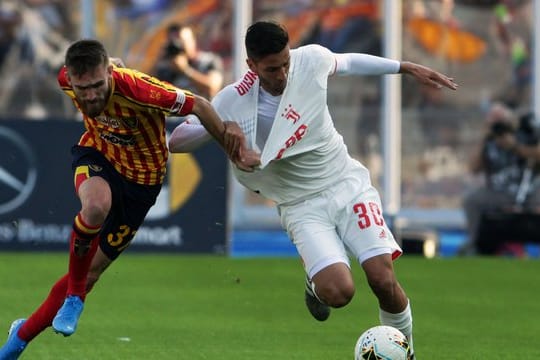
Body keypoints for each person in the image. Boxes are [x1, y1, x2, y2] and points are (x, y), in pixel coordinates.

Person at [168, 20, 458, 359]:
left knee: (382, 279)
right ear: (252, 66)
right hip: (300, 204)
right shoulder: (233, 101)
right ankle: (316, 286)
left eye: (286, 63)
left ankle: (407, 354)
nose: (283, 74)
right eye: (272, 69)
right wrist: (221, 129)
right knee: (339, 292)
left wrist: (403, 67)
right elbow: (177, 142)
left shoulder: (311, 60)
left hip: (345, 183)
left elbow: (347, 62)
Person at [0, 38, 250, 359]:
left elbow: (200, 104)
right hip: (98, 155)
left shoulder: (141, 90)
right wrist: (108, 62)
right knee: (94, 207)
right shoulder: (66, 79)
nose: (89, 95)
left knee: (91, 274)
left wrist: (233, 150)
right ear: (71, 80)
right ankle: (52, 316)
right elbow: (89, 70)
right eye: (82, 88)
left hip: (142, 183)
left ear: (108, 74)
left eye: (96, 85)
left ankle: (23, 331)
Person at [461, 103, 540, 255]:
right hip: (499, 192)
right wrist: (484, 138)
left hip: (529, 190)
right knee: (471, 200)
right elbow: (473, 168)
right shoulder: (489, 141)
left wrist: (514, 146)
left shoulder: (524, 133)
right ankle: (475, 243)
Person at [152, 22, 224, 100]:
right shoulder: (166, 67)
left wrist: (185, 70)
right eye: (173, 41)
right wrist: (158, 60)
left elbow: (212, 88)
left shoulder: (209, 60)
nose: (177, 45)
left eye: (181, 40)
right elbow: (151, 91)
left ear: (192, 40)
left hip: (201, 110)